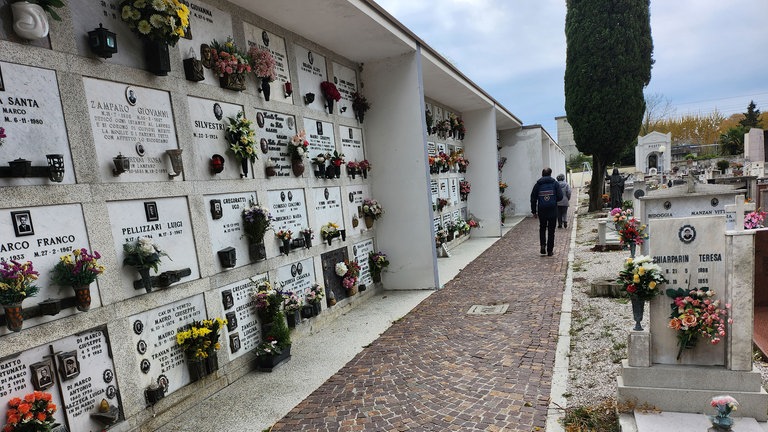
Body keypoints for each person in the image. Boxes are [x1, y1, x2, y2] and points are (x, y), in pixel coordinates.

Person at [531, 167, 563, 256]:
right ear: (550, 174)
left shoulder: (538, 184)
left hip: (542, 210)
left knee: (542, 228)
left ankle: (542, 245)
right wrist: (554, 199)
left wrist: (534, 211)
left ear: (542, 174)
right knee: (551, 230)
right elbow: (560, 196)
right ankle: (550, 250)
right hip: (553, 209)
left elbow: (533, 198)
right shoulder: (555, 183)